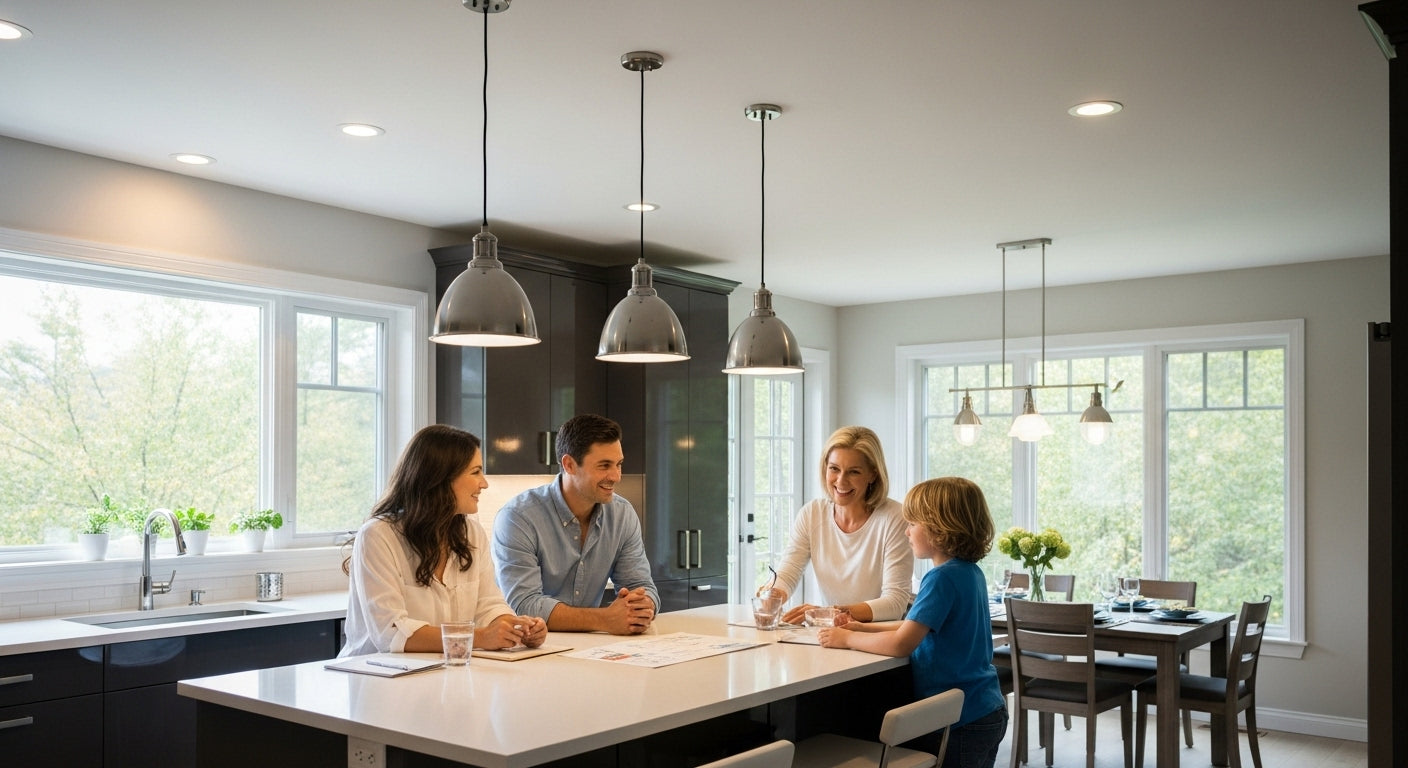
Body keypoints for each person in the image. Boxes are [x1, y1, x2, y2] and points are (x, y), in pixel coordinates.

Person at [817, 477, 1007, 768]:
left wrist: (847, 639)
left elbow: (902, 643)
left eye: (913, 523)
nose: (907, 531)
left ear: (939, 528)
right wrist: (861, 627)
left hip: (961, 718)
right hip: (985, 707)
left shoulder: (940, 578)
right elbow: (916, 625)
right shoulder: (969, 572)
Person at [339, 424, 547, 657]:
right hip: (372, 671)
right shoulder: (378, 536)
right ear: (440, 478)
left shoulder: (471, 533)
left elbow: (488, 604)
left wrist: (515, 628)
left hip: (443, 669)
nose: (484, 483)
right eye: (475, 472)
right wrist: (480, 637)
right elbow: (390, 633)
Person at [493, 414, 659, 634]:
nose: (616, 476)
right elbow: (525, 604)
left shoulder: (622, 514)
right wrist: (605, 619)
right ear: (569, 464)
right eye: (604, 465)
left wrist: (643, 606)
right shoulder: (518, 517)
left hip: (593, 646)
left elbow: (642, 585)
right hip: (529, 646)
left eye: (618, 464)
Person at [765, 426, 914, 625]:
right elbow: (788, 571)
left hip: (882, 634)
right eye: (834, 469)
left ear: (873, 474)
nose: (841, 481)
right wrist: (772, 594)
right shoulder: (812, 513)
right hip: (836, 631)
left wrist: (829, 612)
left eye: (854, 472)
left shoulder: (895, 518)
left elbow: (895, 603)